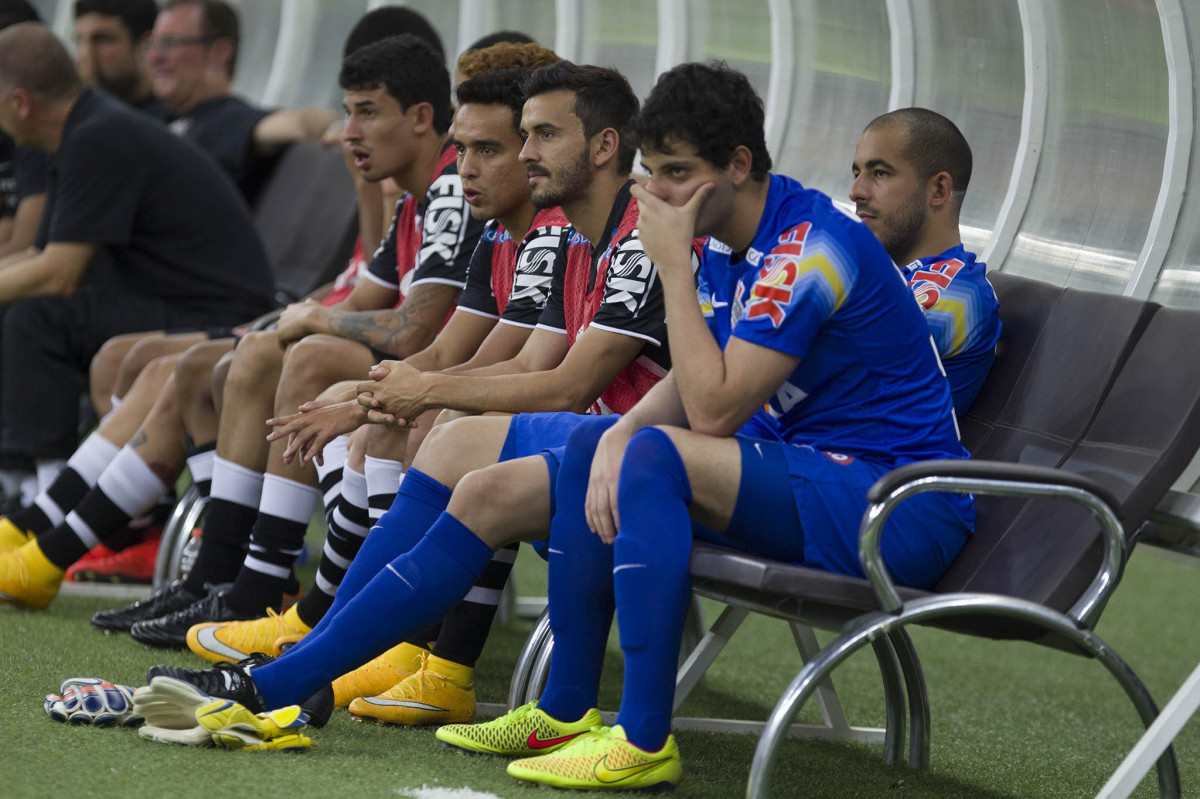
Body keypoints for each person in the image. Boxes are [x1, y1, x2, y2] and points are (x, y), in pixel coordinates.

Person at [142, 60, 687, 732]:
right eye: (515, 138)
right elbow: (523, 364)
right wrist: (385, 400)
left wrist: (420, 390)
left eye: (540, 136)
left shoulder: (632, 231)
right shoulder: (574, 233)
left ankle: (348, 662)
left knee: (451, 429)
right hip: (596, 446)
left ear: (605, 146)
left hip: (645, 456)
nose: (523, 154)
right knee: (455, 438)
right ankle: (309, 660)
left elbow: (567, 384)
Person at [104, 32, 483, 642]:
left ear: (421, 117)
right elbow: (362, 297)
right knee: (231, 359)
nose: (350, 130)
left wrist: (310, 320)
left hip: (447, 384)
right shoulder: (417, 194)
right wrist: (289, 323)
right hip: (428, 373)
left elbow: (413, 330)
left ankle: (261, 581)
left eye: (366, 111)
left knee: (309, 356)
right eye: (345, 111)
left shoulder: (445, 190)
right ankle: (225, 572)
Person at [0, 22, 274, 608]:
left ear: (20, 103)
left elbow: (58, 271)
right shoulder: (82, 130)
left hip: (224, 309)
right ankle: (90, 525)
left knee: (38, 318)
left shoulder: (95, 135)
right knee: (117, 359)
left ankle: (38, 510)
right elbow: (38, 255)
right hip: (192, 303)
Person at [851, 108, 1001, 413]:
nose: (856, 191)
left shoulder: (955, 293)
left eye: (879, 173)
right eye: (857, 173)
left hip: (860, 458)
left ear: (938, 190)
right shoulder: (870, 274)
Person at [149, 0, 340, 202]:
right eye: (152, 43)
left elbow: (302, 123)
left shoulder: (231, 121)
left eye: (170, 43)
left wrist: (338, 127)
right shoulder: (155, 117)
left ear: (219, 52)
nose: (154, 56)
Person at [73, 0, 167, 117]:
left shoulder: (173, 120)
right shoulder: (80, 117)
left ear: (145, 45)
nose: (85, 55)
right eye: (79, 41)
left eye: (103, 40)